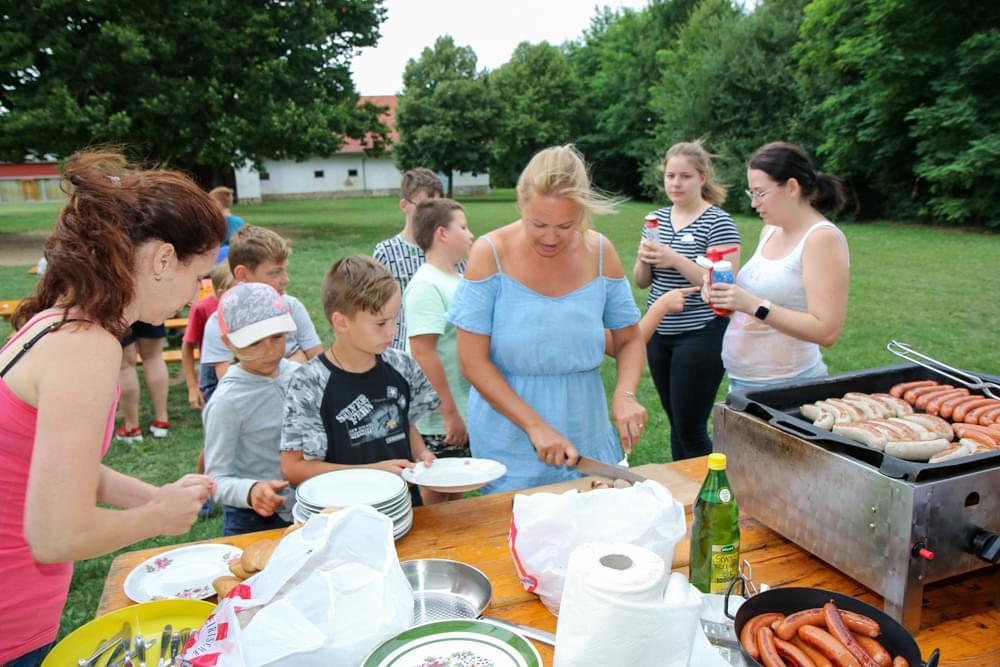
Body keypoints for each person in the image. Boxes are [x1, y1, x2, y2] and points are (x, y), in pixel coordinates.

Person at [0, 150, 221, 665]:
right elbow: (56, 536)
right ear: (163, 259)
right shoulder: (87, 347)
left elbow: (53, 466)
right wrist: (157, 517)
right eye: (198, 276)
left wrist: (154, 495)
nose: (196, 297)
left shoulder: (58, 323)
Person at [448, 145, 647, 493]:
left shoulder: (601, 253)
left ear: (582, 212)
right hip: (509, 437)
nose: (551, 238)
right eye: (538, 224)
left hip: (587, 427)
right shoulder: (490, 254)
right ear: (521, 202)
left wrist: (626, 395)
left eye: (566, 225)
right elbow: (472, 362)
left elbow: (629, 339)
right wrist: (534, 426)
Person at [280, 256, 447, 506]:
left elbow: (406, 423)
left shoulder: (402, 365)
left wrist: (421, 453)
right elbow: (293, 468)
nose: (392, 331)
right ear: (341, 322)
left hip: (404, 508)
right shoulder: (309, 383)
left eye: (395, 319)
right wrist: (372, 472)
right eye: (380, 323)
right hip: (342, 514)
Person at [710, 141, 850, 392]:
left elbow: (826, 331)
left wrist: (753, 304)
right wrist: (726, 298)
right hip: (743, 383)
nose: (754, 204)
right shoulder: (770, 231)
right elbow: (758, 303)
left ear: (792, 187)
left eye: (760, 193)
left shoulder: (822, 239)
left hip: (791, 385)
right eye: (751, 193)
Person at [632, 141, 741, 461]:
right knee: (677, 425)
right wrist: (644, 259)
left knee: (690, 428)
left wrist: (675, 259)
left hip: (701, 332)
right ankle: (685, 486)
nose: (676, 183)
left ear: (702, 178)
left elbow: (724, 285)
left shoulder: (718, 221)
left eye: (685, 176)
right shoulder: (655, 220)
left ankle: (715, 484)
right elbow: (642, 281)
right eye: (670, 176)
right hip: (659, 332)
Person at [203, 283, 297, 536]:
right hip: (254, 519)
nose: (269, 350)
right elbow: (216, 478)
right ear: (228, 342)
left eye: (277, 337)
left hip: (306, 508)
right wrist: (252, 490)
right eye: (254, 342)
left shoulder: (300, 375)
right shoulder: (227, 402)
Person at [199, 225, 323, 400]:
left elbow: (318, 364)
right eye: (275, 273)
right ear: (242, 274)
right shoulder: (220, 322)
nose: (285, 279)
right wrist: (297, 358)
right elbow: (234, 387)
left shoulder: (292, 306)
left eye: (284, 270)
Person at [404, 198, 475, 460]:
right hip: (440, 422)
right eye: (464, 227)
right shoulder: (427, 285)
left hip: (465, 409)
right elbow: (423, 352)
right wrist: (450, 413)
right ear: (442, 234)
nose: (471, 235)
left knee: (466, 480)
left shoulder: (458, 279)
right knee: (447, 481)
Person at [374, 168, 452, 351]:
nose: (433, 215)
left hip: (444, 347)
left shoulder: (450, 249)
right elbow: (376, 309)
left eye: (438, 206)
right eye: (424, 207)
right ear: (404, 205)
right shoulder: (386, 252)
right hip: (401, 349)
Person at [181, 262, 234, 410]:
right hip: (211, 373)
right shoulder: (202, 308)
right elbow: (187, 346)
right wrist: (192, 387)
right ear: (223, 291)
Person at [115, 321, 172, 442]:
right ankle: (162, 420)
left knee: (125, 365)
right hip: (149, 309)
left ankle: (132, 428)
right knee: (154, 356)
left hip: (117, 311)